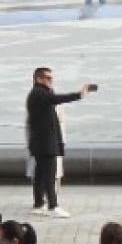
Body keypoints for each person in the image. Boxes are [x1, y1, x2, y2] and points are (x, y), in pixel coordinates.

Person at [25, 67, 93, 218]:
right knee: (49, 174)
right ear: (38, 79)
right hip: (45, 143)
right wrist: (79, 94)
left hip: (41, 142)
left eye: (52, 78)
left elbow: (54, 99)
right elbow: (58, 99)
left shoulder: (39, 93)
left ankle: (38, 204)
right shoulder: (39, 94)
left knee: (41, 174)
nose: (51, 81)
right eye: (48, 78)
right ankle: (52, 206)